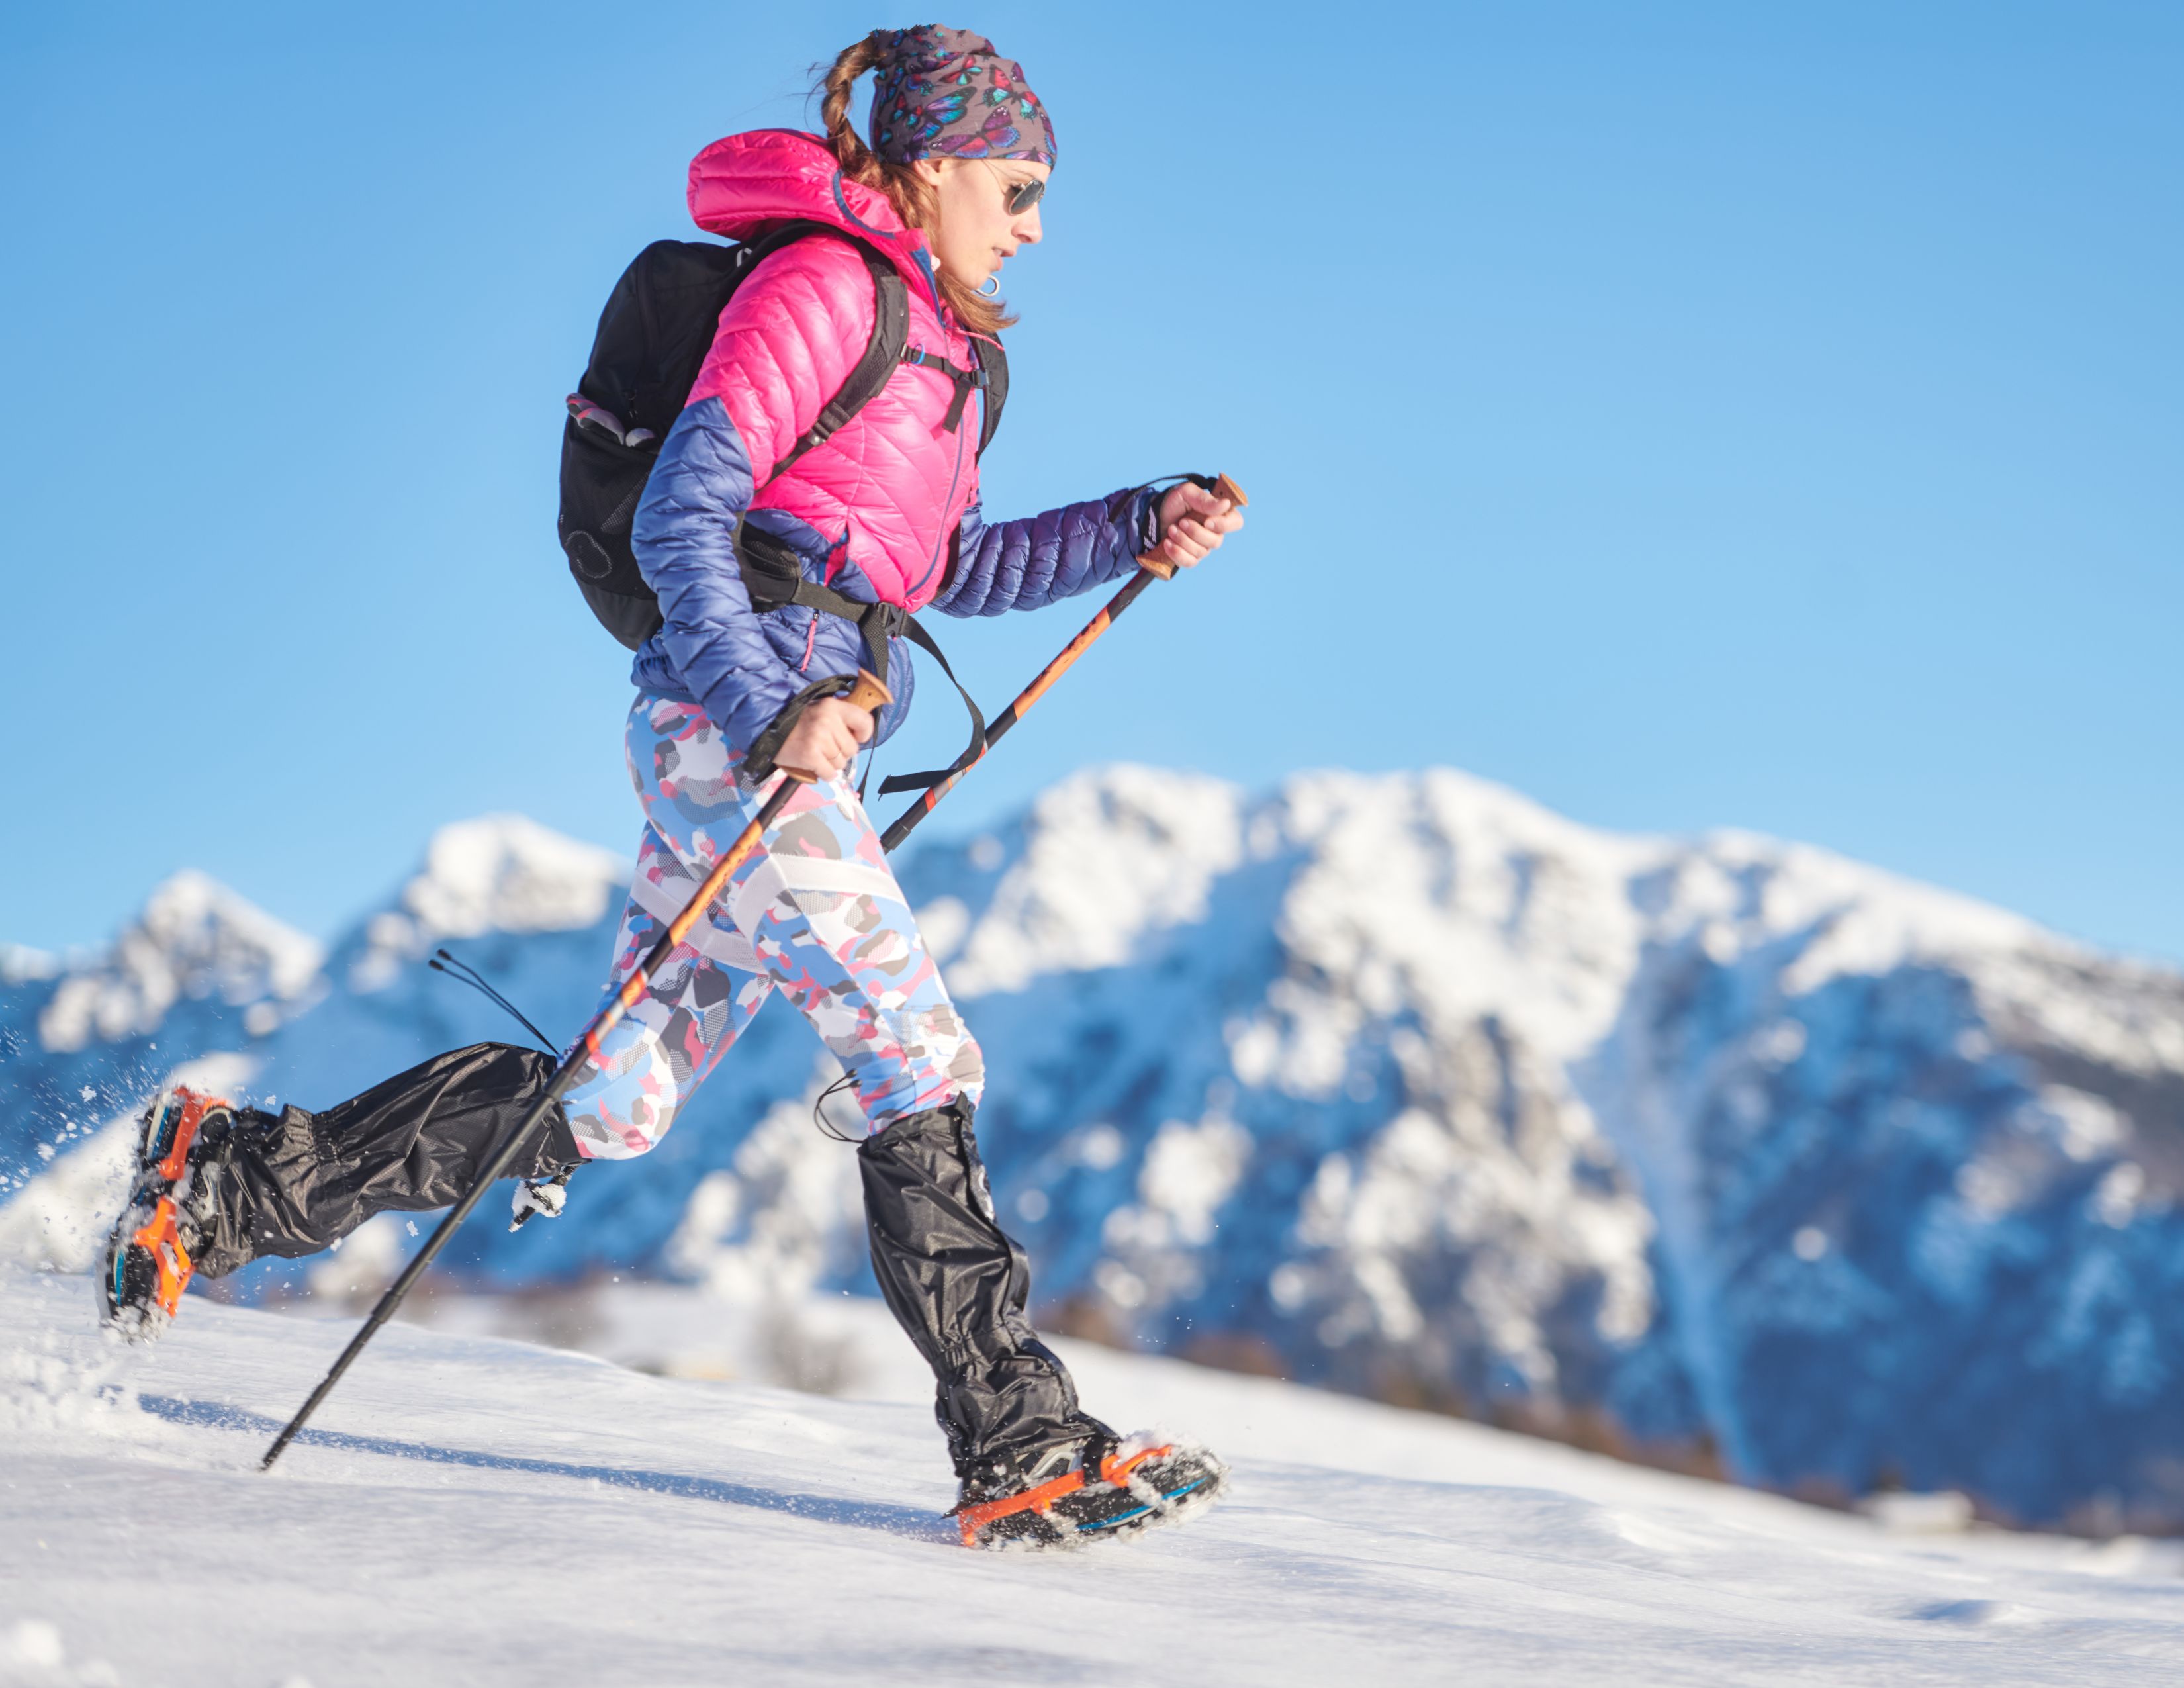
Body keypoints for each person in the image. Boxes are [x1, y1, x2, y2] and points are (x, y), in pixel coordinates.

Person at [99, 26, 1244, 1549]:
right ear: (931, 163)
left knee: (619, 1102)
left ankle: (235, 1182)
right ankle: (1020, 1442)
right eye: (1019, 184)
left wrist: (1131, 524)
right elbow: (685, 521)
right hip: (740, 738)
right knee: (914, 1048)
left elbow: (943, 566)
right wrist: (774, 715)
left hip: (777, 736)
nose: (1035, 221)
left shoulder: (959, 355)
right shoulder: (823, 287)